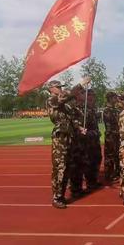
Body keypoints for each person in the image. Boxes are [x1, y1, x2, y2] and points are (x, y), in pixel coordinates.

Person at [46, 77, 90, 209]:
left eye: (61, 87)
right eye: (58, 87)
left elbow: (70, 119)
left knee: (67, 168)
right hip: (60, 138)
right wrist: (80, 85)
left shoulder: (63, 105)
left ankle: (63, 194)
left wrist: (78, 128)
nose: (61, 89)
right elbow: (66, 96)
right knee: (60, 168)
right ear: (51, 89)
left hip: (69, 137)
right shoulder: (52, 100)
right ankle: (57, 197)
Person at [103, 91, 120, 184]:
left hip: (117, 136)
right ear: (110, 98)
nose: (116, 99)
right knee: (110, 157)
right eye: (114, 97)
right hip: (111, 136)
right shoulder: (107, 110)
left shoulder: (116, 110)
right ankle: (108, 175)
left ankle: (117, 173)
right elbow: (109, 125)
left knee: (117, 156)